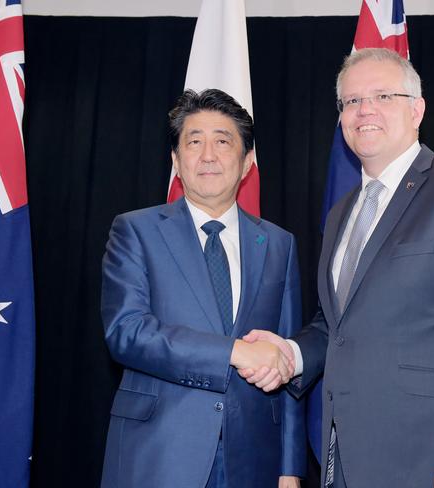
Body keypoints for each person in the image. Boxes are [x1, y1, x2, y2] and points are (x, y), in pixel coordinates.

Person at [241, 48, 434, 488]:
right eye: (351, 101)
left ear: (417, 110)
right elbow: (336, 325)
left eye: (382, 96)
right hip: (349, 464)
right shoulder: (342, 214)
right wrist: (290, 355)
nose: (365, 110)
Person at [100, 88, 305, 488]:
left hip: (253, 461)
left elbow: (287, 356)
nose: (208, 155)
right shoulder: (135, 231)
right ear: (176, 161)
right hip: (158, 453)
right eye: (194, 142)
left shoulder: (279, 244)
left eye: (223, 141)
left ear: (247, 162)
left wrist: (290, 466)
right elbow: (127, 332)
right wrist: (235, 351)